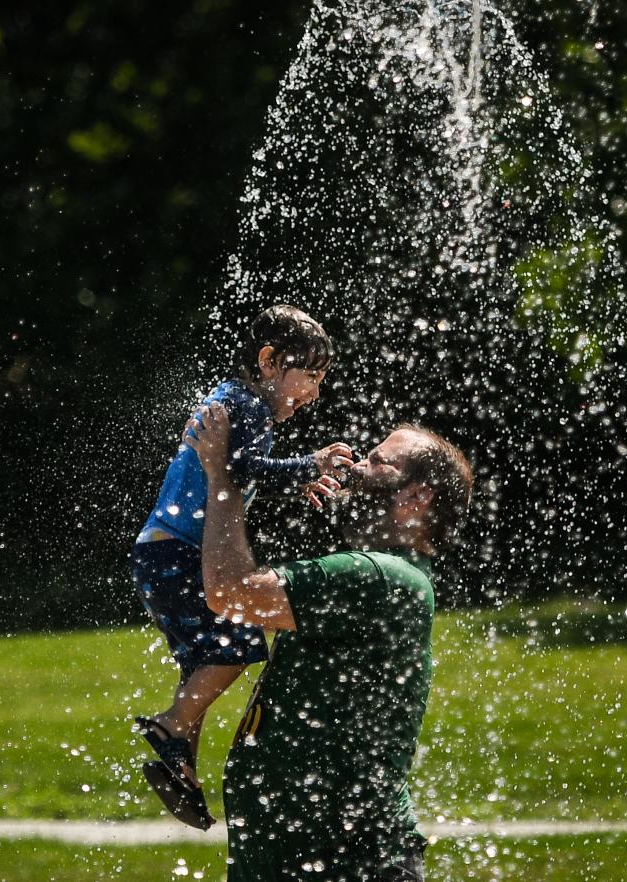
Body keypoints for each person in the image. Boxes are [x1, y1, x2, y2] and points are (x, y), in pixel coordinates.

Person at [185, 402, 474, 881]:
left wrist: (225, 478)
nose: (358, 464)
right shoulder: (381, 576)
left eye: (380, 461)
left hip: (347, 863)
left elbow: (228, 592)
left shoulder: (378, 576)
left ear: (417, 496)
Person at [131, 305, 354, 828]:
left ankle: (181, 761)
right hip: (178, 552)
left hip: (163, 550)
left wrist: (295, 479)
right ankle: (170, 728)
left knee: (203, 661)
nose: (314, 394)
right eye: (311, 377)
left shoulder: (237, 403)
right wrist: (311, 464)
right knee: (238, 644)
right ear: (270, 361)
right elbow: (238, 469)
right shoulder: (243, 404)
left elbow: (240, 472)